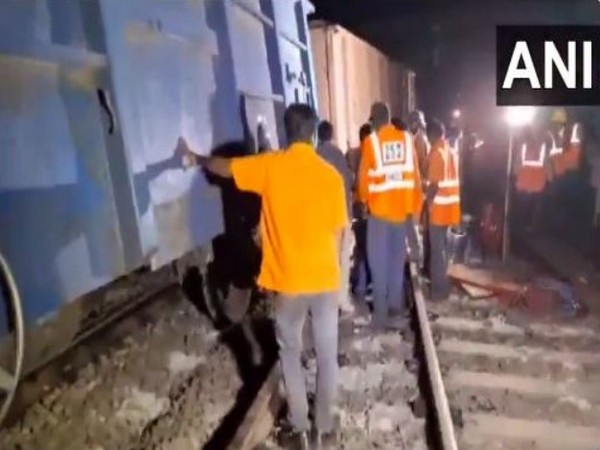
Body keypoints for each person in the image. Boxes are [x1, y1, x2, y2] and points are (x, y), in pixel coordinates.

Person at [177, 103, 347, 449]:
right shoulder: (331, 176)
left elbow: (225, 168)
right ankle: (324, 429)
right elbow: (340, 233)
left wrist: (195, 157)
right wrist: (340, 280)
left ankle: (298, 428)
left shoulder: (271, 167)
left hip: (287, 283)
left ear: (287, 133)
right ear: (314, 135)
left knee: (290, 353)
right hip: (325, 280)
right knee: (327, 355)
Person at [358, 102, 422, 329]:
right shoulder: (407, 140)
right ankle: (395, 306)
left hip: (380, 214)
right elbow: (415, 177)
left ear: (375, 121)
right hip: (401, 212)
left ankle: (381, 314)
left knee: (378, 263)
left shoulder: (371, 142)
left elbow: (364, 182)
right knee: (396, 260)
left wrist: (364, 201)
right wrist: (414, 210)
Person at [316, 120, 355, 315]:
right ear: (331, 135)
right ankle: (342, 300)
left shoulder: (314, 155)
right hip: (340, 216)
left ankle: (324, 304)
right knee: (342, 260)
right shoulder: (338, 155)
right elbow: (347, 184)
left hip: (319, 219)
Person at [425, 119, 461, 301]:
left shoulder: (436, 153)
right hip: (450, 209)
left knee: (437, 252)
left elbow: (434, 185)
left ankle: (438, 291)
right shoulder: (450, 151)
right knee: (444, 252)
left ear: (432, 135)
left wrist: (427, 204)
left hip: (439, 210)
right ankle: (444, 287)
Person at [409, 110, 431, 276]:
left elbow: (422, 165)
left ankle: (417, 257)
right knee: (415, 224)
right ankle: (417, 256)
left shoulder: (420, 140)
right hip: (417, 186)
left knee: (415, 224)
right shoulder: (417, 139)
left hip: (419, 187)